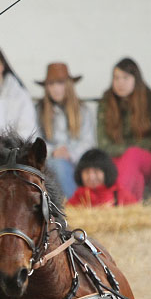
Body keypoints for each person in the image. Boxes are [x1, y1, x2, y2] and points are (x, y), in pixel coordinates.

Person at [97, 57, 151, 200]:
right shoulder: (106, 100)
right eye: (116, 78)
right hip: (115, 158)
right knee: (134, 175)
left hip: (145, 158)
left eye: (125, 78)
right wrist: (125, 151)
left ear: (136, 79)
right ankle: (130, 206)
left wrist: (128, 150)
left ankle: (116, 201)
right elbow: (103, 143)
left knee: (132, 155)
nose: (120, 83)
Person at [35, 62, 95, 198]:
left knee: (61, 166)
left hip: (78, 164)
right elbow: (35, 139)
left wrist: (70, 153)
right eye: (51, 84)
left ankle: (74, 204)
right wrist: (53, 151)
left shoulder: (83, 111)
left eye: (60, 83)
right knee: (56, 166)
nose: (55, 89)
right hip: (49, 162)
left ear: (68, 85)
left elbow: (89, 143)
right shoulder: (39, 110)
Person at [67, 148, 137, 208]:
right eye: (87, 172)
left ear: (106, 172)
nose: (91, 177)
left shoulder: (121, 196)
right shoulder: (77, 199)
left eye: (96, 171)